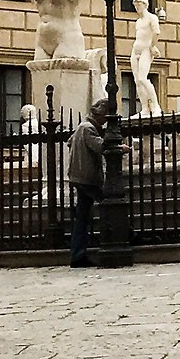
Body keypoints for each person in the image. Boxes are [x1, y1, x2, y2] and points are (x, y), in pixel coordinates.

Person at [67, 99, 108, 268]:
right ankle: (125, 234)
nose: (106, 121)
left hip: (78, 176)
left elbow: (69, 141)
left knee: (82, 216)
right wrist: (120, 147)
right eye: (105, 117)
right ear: (98, 115)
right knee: (108, 203)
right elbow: (100, 147)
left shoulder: (82, 127)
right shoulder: (89, 129)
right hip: (87, 178)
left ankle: (78, 254)